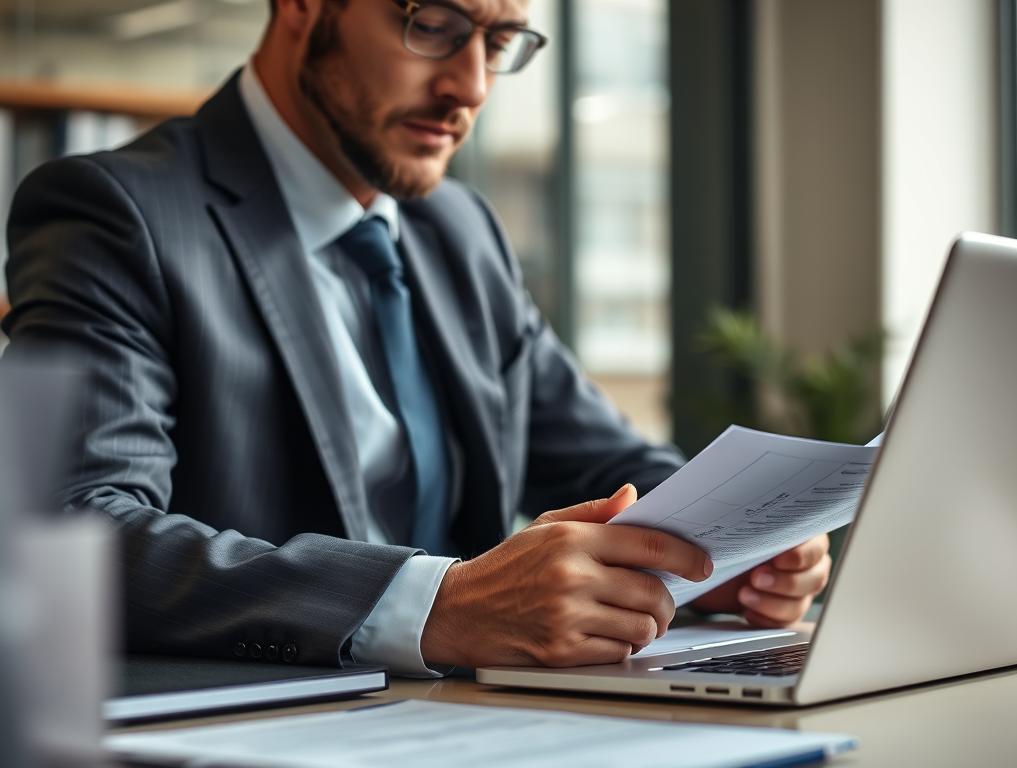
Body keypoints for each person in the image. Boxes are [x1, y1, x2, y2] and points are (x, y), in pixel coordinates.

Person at [1, 0, 830, 675]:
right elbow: (71, 529)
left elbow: (602, 462)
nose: (469, 86)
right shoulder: (117, 215)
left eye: (500, 39)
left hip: (469, 725)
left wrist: (725, 550)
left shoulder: (458, 229)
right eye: (432, 24)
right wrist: (439, 604)